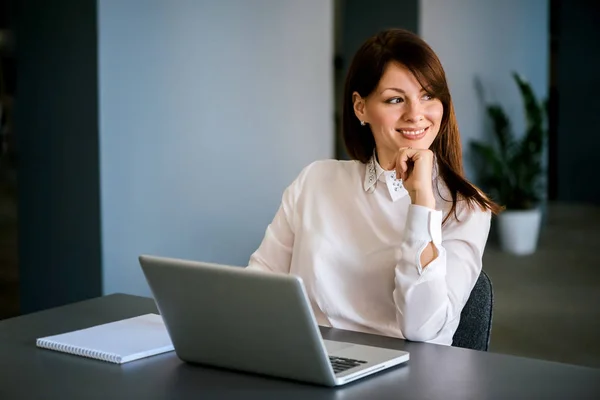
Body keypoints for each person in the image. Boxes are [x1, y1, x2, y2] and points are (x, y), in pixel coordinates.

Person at [246, 28, 502, 345]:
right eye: (396, 99)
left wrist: (422, 201)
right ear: (360, 108)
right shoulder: (315, 181)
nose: (415, 114)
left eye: (427, 96)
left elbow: (422, 329)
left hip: (405, 377)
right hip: (307, 363)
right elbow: (258, 284)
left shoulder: (467, 208)